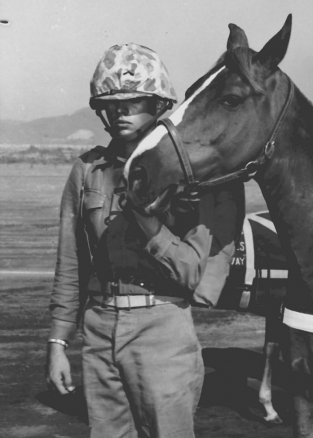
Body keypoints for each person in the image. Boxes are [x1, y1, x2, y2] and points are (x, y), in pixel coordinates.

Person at [45, 43, 243, 438]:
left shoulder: (191, 175)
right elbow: (71, 264)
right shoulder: (88, 172)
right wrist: (57, 343)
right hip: (99, 330)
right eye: (112, 104)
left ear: (158, 106)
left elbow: (190, 273)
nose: (121, 112)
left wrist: (143, 218)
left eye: (134, 103)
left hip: (162, 329)